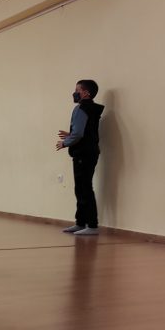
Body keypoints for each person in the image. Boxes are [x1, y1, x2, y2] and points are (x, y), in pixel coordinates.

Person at [56, 79, 105, 235]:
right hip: (90, 152)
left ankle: (92, 225)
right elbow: (86, 132)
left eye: (77, 90)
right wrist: (71, 135)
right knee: (82, 188)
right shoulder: (92, 109)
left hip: (83, 154)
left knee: (84, 188)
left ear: (86, 93)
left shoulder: (81, 108)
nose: (75, 92)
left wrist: (65, 142)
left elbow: (78, 134)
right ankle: (81, 223)